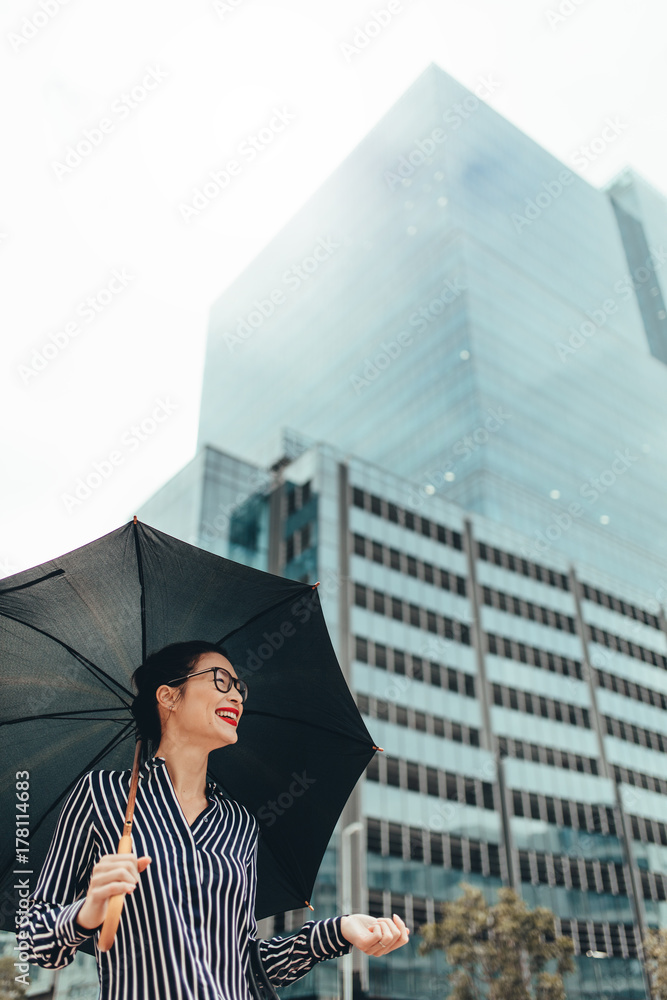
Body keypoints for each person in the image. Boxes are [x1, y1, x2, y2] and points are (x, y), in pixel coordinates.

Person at [23, 640, 409, 999]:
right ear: (169, 696)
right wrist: (87, 911)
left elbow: (246, 964)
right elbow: (34, 937)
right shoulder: (102, 794)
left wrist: (338, 931)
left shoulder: (240, 824)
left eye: (239, 688)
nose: (236, 696)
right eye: (220, 680)